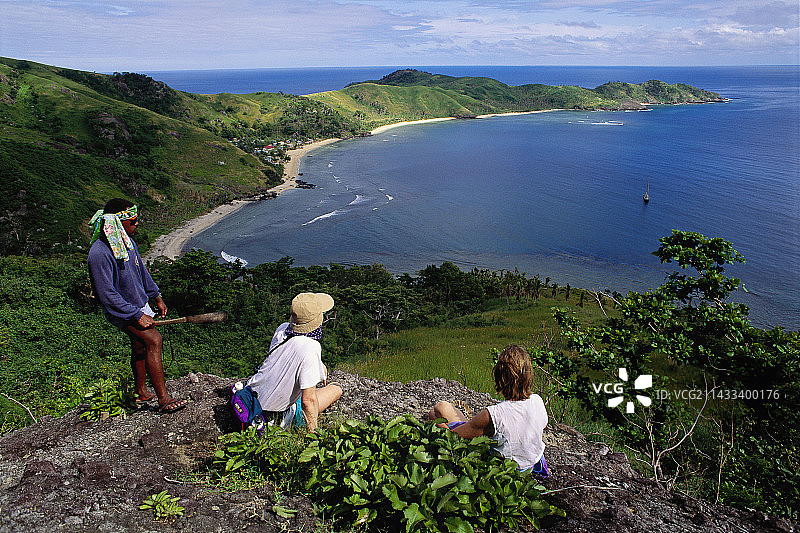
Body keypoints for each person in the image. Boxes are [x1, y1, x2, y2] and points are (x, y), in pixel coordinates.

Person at [87, 198, 187, 414]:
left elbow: (141, 272)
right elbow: (106, 294)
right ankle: (163, 399)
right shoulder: (99, 253)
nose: (136, 224)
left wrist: (156, 296)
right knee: (153, 339)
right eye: (132, 221)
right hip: (121, 310)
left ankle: (141, 392)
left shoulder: (127, 242)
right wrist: (135, 315)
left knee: (140, 346)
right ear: (116, 223)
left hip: (137, 304)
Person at [428, 344, 549, 477]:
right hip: (532, 464)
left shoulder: (494, 414)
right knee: (456, 416)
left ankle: (468, 424)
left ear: (499, 376)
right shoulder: (537, 401)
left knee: (438, 410)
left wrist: (436, 422)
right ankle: (471, 424)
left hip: (507, 470)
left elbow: (452, 437)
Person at [246, 292, 343, 432]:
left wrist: (318, 364)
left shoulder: (282, 329)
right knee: (335, 389)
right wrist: (313, 435)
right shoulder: (311, 347)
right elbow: (307, 401)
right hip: (273, 418)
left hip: (251, 399)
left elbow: (288, 354)